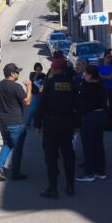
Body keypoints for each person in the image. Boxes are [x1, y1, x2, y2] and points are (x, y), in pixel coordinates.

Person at [34, 56, 78, 198]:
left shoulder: (49, 83)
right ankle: (70, 186)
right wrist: (76, 124)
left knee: (51, 157)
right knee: (68, 156)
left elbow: (40, 105)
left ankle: (53, 188)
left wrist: (37, 123)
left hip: (51, 124)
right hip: (67, 124)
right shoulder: (71, 83)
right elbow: (78, 105)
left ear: (54, 69)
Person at [0, 63, 32, 182]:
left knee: (7, 144)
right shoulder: (16, 87)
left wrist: (2, 113)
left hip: (3, 122)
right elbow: (27, 102)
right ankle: (15, 173)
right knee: (17, 148)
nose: (18, 74)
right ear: (12, 74)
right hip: (15, 123)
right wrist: (29, 87)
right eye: (17, 72)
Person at [76, 64, 108, 182]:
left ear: (90, 74)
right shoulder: (100, 85)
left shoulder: (86, 87)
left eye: (85, 73)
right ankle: (100, 171)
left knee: (88, 145)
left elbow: (80, 104)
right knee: (98, 144)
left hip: (89, 117)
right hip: (101, 115)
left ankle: (88, 173)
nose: (83, 75)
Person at [98, 52, 112, 131]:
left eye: (110, 57)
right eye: (108, 57)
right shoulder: (99, 67)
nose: (109, 58)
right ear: (104, 57)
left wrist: (101, 76)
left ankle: (111, 126)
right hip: (103, 90)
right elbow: (98, 78)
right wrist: (106, 76)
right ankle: (104, 125)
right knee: (103, 108)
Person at [26, 63, 46, 127]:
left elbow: (45, 83)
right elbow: (32, 80)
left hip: (41, 94)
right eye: (37, 70)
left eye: (39, 70)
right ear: (35, 69)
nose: (38, 71)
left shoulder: (43, 75)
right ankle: (28, 122)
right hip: (34, 94)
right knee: (33, 109)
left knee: (40, 109)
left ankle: (37, 121)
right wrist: (36, 75)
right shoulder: (32, 74)